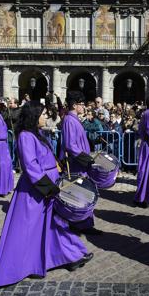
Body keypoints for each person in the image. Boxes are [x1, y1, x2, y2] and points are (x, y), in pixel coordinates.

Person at [0, 102, 93, 286]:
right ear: (34, 116)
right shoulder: (25, 136)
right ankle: (24, 266)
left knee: (54, 225)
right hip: (35, 191)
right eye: (43, 114)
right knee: (29, 230)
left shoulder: (37, 134)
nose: (46, 117)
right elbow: (31, 166)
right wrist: (48, 188)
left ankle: (69, 256)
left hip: (47, 186)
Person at [60, 91, 101, 235]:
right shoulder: (69, 120)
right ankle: (77, 225)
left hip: (81, 163)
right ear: (74, 105)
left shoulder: (74, 119)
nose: (84, 107)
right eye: (81, 104)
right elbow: (71, 145)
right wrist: (87, 159)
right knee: (78, 195)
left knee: (85, 194)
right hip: (76, 164)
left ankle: (85, 224)